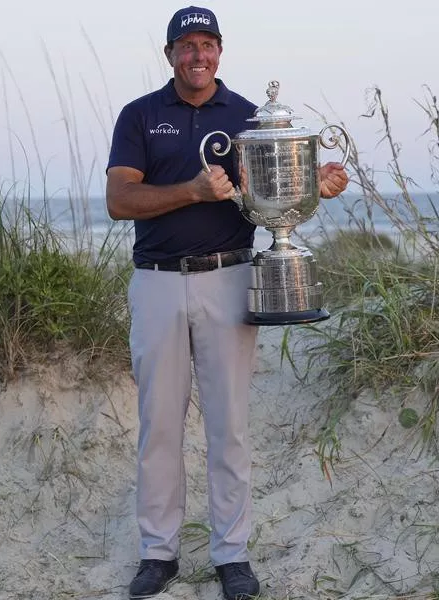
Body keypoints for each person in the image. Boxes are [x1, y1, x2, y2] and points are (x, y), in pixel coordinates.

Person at [105, 6, 349, 599]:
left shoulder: (246, 117)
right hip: (158, 281)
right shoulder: (140, 115)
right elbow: (119, 199)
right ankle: (158, 553)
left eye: (207, 44)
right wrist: (190, 190)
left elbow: (273, 191)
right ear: (169, 54)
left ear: (220, 52)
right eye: (186, 45)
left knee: (229, 426)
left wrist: (312, 185)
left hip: (230, 278)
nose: (198, 55)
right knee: (159, 425)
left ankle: (230, 555)